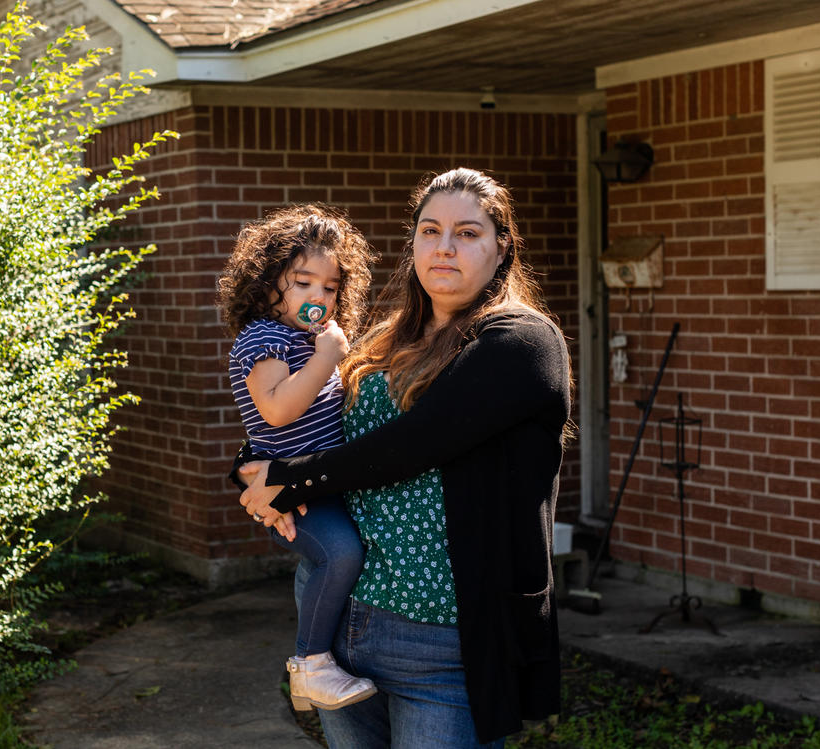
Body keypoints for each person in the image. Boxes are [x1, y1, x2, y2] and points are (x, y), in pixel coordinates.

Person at [237, 168, 572, 747]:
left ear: (501, 250)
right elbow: (314, 428)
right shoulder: (387, 340)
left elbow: (416, 443)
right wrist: (254, 473)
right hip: (343, 621)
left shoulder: (521, 341)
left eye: (467, 233)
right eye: (430, 230)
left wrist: (287, 482)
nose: (444, 247)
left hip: (444, 640)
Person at [217, 203, 379, 712]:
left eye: (330, 287)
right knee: (341, 554)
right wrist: (327, 357)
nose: (318, 296)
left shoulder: (307, 340)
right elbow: (277, 410)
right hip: (296, 496)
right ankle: (309, 668)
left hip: (321, 486)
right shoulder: (263, 338)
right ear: (267, 283)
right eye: (303, 282)